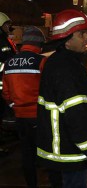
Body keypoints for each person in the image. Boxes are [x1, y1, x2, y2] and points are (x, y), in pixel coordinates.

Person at [36, 9, 87, 188]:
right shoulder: (66, 69)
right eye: (82, 34)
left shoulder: (62, 62)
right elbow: (77, 117)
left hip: (63, 150)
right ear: (67, 39)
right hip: (68, 154)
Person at [2, 26, 47, 187]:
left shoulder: (9, 62)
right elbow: (48, 89)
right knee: (45, 151)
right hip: (39, 116)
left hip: (20, 117)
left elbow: (5, 91)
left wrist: (15, 106)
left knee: (26, 153)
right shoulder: (42, 61)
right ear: (39, 43)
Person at [0, 12, 18, 156]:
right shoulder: (1, 41)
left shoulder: (4, 39)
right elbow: (7, 60)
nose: (8, 27)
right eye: (6, 24)